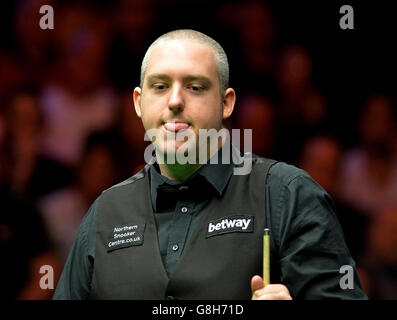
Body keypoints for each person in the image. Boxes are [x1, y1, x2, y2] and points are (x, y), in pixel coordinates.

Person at [53, 29, 367, 300]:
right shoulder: (106, 211)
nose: (175, 100)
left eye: (195, 86)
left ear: (226, 103)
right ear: (138, 103)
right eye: (160, 86)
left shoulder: (286, 194)